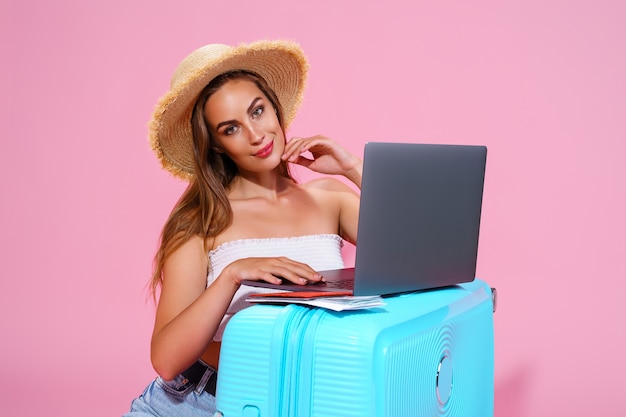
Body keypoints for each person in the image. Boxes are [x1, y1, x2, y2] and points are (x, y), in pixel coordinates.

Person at [124, 39, 362, 416]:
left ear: (275, 108)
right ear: (217, 145)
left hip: (307, 397)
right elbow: (167, 360)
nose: (255, 135)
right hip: (202, 401)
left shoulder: (329, 198)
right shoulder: (200, 221)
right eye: (231, 128)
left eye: (257, 111)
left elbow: (426, 256)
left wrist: (353, 168)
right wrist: (233, 274)